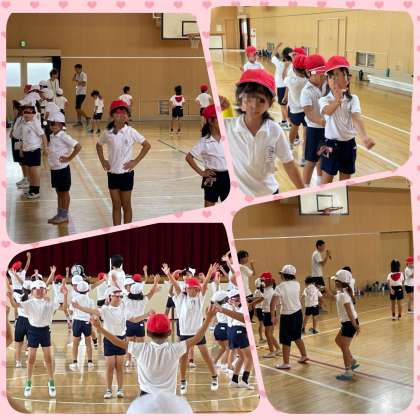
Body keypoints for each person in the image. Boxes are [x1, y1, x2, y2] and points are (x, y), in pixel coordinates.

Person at [92, 306, 218, 398]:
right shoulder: (175, 349)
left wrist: (99, 328)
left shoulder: (140, 349)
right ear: (170, 332)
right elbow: (197, 337)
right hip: (169, 398)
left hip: (145, 398)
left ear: (147, 333)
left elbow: (117, 341)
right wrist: (208, 318)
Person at [224, 69, 304, 196]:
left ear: (270, 104)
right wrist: (217, 105)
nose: (254, 105)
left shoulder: (274, 130)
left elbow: (288, 164)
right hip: (241, 197)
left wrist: (303, 190)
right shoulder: (227, 126)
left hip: (269, 193)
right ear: (240, 99)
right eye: (249, 99)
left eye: (261, 100)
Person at [72, 285, 151, 399]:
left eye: (120, 296)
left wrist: (146, 315)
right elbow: (93, 311)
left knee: (119, 366)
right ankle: (108, 389)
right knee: (110, 365)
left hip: (121, 339)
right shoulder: (105, 309)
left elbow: (134, 319)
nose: (119, 298)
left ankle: (120, 389)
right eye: (116, 296)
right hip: (109, 340)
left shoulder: (124, 309)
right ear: (110, 297)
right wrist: (79, 307)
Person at [162, 263, 219, 395]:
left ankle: (214, 376)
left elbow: (205, 285)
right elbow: (176, 286)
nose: (190, 290)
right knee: (183, 358)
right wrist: (168, 274)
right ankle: (183, 381)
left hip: (198, 333)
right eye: (188, 288)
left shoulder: (199, 298)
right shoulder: (180, 298)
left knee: (206, 356)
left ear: (196, 289)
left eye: (193, 288)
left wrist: (209, 273)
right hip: (185, 333)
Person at [7, 273, 67, 398]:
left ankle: (51, 382)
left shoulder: (50, 303)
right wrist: (11, 297)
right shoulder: (29, 302)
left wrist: (65, 295)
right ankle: (28, 382)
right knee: (31, 358)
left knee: (48, 358)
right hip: (33, 331)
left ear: (45, 290)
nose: (38, 291)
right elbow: (15, 305)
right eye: (35, 289)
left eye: (41, 289)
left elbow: (64, 307)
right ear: (32, 291)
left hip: (45, 331)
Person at [319, 56, 375, 183]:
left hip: (349, 145)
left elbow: (356, 118)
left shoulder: (353, 99)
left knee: (345, 183)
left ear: (348, 79)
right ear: (328, 80)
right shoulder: (324, 99)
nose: (337, 79)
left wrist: (364, 136)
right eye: (333, 76)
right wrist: (337, 100)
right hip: (330, 144)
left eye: (342, 75)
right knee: (326, 181)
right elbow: (327, 111)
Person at [96, 100, 151, 225]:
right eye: (117, 113)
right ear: (112, 115)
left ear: (127, 116)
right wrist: (103, 161)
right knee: (116, 205)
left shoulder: (131, 131)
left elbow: (147, 145)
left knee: (126, 205)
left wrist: (135, 161)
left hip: (126, 175)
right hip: (112, 174)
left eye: (124, 113)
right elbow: (98, 145)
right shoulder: (107, 132)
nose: (121, 115)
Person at [186, 104, 230, 207]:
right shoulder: (204, 141)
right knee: (209, 208)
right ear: (210, 121)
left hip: (227, 177)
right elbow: (189, 157)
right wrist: (201, 172)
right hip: (212, 177)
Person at [270, 264, 308, 370]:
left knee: (286, 340)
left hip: (287, 316)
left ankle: (286, 363)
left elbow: (272, 303)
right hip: (298, 313)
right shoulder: (297, 284)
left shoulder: (280, 287)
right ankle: (304, 355)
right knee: (297, 336)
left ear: (283, 275)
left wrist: (273, 316)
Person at [47, 112, 81, 224]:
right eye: (51, 123)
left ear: (62, 125)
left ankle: (64, 215)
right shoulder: (52, 136)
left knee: (64, 192)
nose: (53, 126)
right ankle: (60, 214)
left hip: (62, 169)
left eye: (56, 124)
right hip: (55, 169)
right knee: (59, 192)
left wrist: (69, 158)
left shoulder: (63, 136)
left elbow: (78, 146)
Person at [327, 269, 360, 381]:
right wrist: (325, 289)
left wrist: (355, 326)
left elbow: (349, 311)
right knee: (338, 340)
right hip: (348, 323)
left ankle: (348, 371)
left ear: (339, 282)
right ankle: (352, 360)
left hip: (350, 323)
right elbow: (333, 298)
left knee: (344, 347)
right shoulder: (342, 292)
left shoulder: (343, 295)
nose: (334, 282)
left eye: (335, 280)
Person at [301, 54, 327, 186]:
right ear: (308, 73)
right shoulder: (306, 91)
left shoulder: (326, 85)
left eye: (323, 72)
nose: (322, 75)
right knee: (311, 160)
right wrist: (323, 122)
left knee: (323, 157)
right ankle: (304, 186)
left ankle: (319, 180)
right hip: (314, 130)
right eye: (318, 73)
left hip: (327, 130)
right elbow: (309, 113)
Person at [19, 100, 48, 199]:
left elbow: (43, 135)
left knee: (34, 172)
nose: (26, 114)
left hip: (34, 151)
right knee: (30, 173)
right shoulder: (24, 124)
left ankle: (36, 191)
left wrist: (45, 147)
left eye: (29, 112)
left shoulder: (35, 124)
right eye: (25, 112)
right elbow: (23, 138)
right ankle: (31, 190)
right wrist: (21, 149)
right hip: (26, 151)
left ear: (34, 114)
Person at [271, 43, 293, 127]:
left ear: (284, 55)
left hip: (282, 88)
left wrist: (277, 46)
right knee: (283, 105)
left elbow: (272, 55)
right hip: (289, 88)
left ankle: (290, 123)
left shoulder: (280, 64)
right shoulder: (292, 65)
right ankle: (284, 121)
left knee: (283, 106)